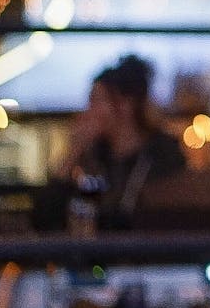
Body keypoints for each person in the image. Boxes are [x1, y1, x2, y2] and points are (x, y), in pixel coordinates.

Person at [39, 54, 186, 230]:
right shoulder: (94, 160)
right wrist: (73, 152)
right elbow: (44, 218)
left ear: (125, 105)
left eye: (96, 101)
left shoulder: (162, 157)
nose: (89, 111)